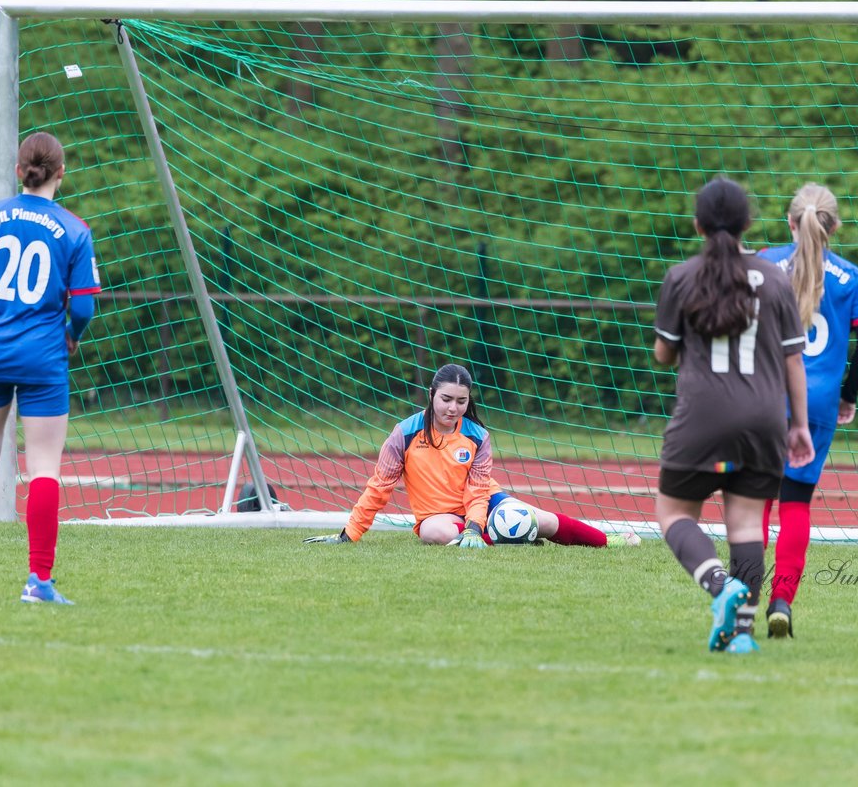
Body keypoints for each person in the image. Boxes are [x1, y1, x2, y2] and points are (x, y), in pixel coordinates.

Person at [652, 176, 814, 655]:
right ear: (748, 223)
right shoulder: (776, 277)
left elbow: (664, 354)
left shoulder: (682, 277)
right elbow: (792, 362)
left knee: (673, 513)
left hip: (702, 416)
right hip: (763, 419)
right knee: (744, 526)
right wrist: (799, 424)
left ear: (697, 223)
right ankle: (740, 633)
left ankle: (721, 588)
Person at [0, 131, 101, 605]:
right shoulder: (75, 230)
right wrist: (71, 336)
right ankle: (38, 581)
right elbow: (83, 308)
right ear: (62, 173)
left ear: (19, 171)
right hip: (43, 357)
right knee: (43, 468)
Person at [303, 364, 641, 549]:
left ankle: (605, 540)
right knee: (434, 533)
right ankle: (509, 536)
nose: (453, 408)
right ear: (431, 394)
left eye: (461, 401)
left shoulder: (478, 436)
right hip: (439, 516)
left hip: (483, 504)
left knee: (547, 522)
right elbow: (379, 487)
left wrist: (474, 528)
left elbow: (479, 490)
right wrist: (349, 534)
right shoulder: (403, 434)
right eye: (446, 399)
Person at [757, 183, 858, 638]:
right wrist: (848, 395)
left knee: (756, 500)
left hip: (763, 398)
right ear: (835, 227)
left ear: (790, 222)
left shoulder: (766, 263)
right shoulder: (849, 276)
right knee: (795, 504)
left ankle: (743, 591)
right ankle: (782, 600)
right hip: (818, 406)